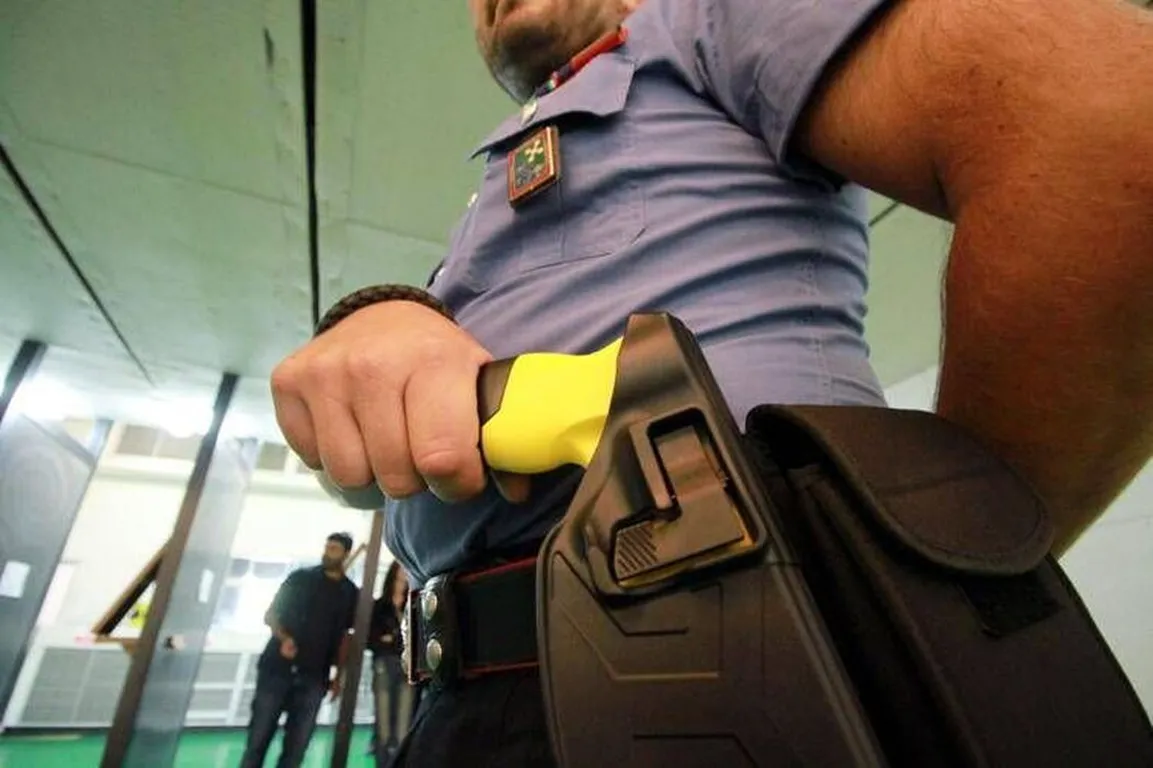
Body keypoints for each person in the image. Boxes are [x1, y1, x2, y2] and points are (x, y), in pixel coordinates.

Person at [270, 0, 1153, 764]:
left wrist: (949, 565)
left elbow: (1105, 121)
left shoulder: (701, 18)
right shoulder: (502, 176)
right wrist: (385, 313)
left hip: (712, 658)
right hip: (471, 696)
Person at [239, 533, 359, 768]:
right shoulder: (300, 578)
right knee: (257, 741)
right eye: (327, 547)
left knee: (296, 749)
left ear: (345, 554)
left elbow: (346, 637)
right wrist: (284, 638)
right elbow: (271, 614)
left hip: (315, 676)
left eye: (334, 549)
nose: (328, 553)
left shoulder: (349, 592)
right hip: (277, 669)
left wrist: (339, 676)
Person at [367, 561, 414, 766]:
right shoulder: (380, 606)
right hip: (384, 664)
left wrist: (390, 639)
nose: (402, 577)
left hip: (407, 666)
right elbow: (372, 639)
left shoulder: (411, 604)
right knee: (384, 725)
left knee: (403, 726)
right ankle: (383, 761)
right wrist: (390, 641)